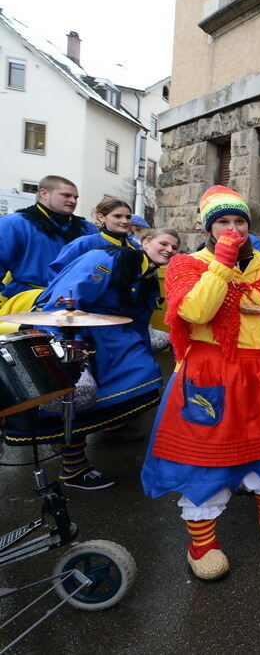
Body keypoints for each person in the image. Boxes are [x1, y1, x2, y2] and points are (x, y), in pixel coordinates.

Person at [141, 185, 260, 581]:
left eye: (239, 222)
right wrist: (222, 263)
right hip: (209, 373)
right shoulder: (185, 265)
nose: (233, 229)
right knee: (205, 456)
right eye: (223, 222)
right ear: (207, 227)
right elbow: (195, 313)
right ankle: (203, 544)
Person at [1, 229, 180, 489]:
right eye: (163, 243)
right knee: (79, 394)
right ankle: (73, 466)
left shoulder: (148, 276)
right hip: (68, 331)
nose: (169, 249)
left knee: (142, 374)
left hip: (108, 334)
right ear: (144, 242)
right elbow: (61, 304)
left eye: (175, 247)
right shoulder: (108, 258)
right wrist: (63, 348)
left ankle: (103, 432)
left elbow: (139, 318)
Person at [0, 175, 96, 310]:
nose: (72, 201)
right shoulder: (13, 224)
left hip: (74, 302)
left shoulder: (87, 228)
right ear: (44, 194)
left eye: (75, 197)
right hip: (25, 301)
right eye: (66, 195)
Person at [50, 197, 141, 277]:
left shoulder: (133, 247)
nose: (125, 221)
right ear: (101, 217)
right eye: (117, 216)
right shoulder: (84, 244)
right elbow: (57, 274)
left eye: (128, 217)